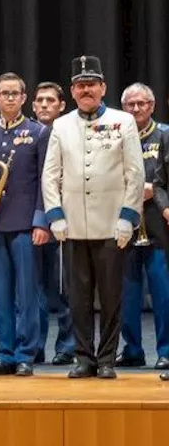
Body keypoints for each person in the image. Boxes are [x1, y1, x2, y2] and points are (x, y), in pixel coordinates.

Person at [42, 56, 143, 379]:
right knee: (78, 298)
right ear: (72, 91)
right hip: (72, 226)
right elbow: (50, 175)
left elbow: (135, 173)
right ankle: (84, 358)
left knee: (112, 296)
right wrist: (55, 215)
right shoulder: (61, 124)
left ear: (103, 88)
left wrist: (128, 217)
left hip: (112, 224)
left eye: (92, 84)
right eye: (81, 85)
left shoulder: (123, 121)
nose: (87, 89)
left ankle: (108, 358)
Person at [0, 73, 49, 376]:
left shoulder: (38, 132)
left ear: (24, 98)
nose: (11, 98)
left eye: (16, 93)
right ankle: (5, 352)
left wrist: (41, 221)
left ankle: (26, 353)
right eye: (5, 93)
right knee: (0, 293)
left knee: (26, 293)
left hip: (26, 223)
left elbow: (45, 180)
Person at [116, 84, 169, 370]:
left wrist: (154, 190)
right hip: (124, 223)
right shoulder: (115, 136)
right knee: (128, 294)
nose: (136, 109)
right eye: (130, 105)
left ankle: (166, 350)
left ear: (153, 105)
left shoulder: (165, 134)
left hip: (159, 225)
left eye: (142, 103)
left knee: (163, 294)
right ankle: (133, 349)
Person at [32, 81, 75, 365]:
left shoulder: (72, 132)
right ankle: (34, 346)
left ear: (62, 105)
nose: (45, 105)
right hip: (34, 220)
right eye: (40, 100)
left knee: (65, 287)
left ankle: (67, 346)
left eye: (51, 100)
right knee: (33, 287)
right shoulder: (28, 133)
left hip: (68, 218)